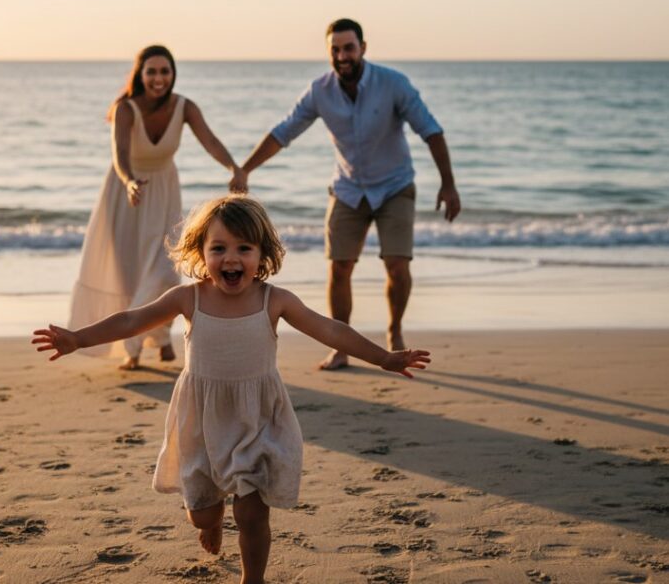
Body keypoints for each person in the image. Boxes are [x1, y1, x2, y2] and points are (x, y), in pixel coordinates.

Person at [34, 195, 431, 584]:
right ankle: (212, 522)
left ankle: (252, 578)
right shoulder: (187, 298)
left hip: (257, 419)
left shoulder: (275, 301)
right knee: (202, 514)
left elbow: (330, 329)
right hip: (203, 422)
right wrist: (78, 339)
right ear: (201, 253)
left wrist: (384, 358)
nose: (231, 258)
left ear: (263, 255)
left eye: (244, 248)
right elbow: (131, 320)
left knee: (254, 514)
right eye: (219, 248)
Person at [230, 18, 461, 370]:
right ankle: (342, 347)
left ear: (363, 48)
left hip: (395, 186)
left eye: (348, 48)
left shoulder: (394, 84)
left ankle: (394, 332)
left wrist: (448, 183)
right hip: (348, 189)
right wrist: (246, 169)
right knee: (339, 267)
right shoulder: (319, 91)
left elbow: (431, 130)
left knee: (397, 266)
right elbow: (284, 131)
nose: (342, 56)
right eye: (335, 50)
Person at [69, 45, 247, 370]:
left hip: (165, 191)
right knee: (129, 272)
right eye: (151, 71)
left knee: (165, 270)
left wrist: (234, 168)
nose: (159, 78)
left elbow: (210, 140)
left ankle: (148, 342)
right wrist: (130, 181)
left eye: (165, 71)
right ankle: (148, 345)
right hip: (127, 194)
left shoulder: (185, 107)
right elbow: (120, 154)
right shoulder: (125, 108)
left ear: (172, 74)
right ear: (140, 75)